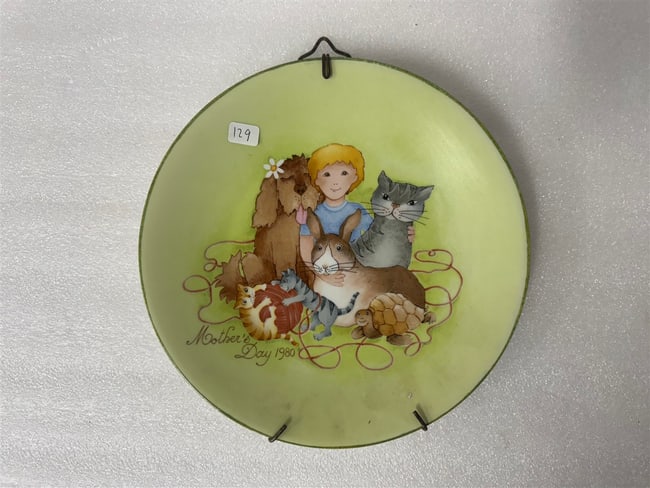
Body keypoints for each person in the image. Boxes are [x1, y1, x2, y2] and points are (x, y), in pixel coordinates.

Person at [299, 143, 372, 285]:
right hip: (323, 272)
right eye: (327, 174)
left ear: (355, 177)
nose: (335, 182)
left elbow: (377, 236)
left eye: (344, 173)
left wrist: (407, 235)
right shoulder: (315, 213)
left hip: (355, 274)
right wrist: (321, 276)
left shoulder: (358, 211)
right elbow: (306, 246)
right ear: (316, 180)